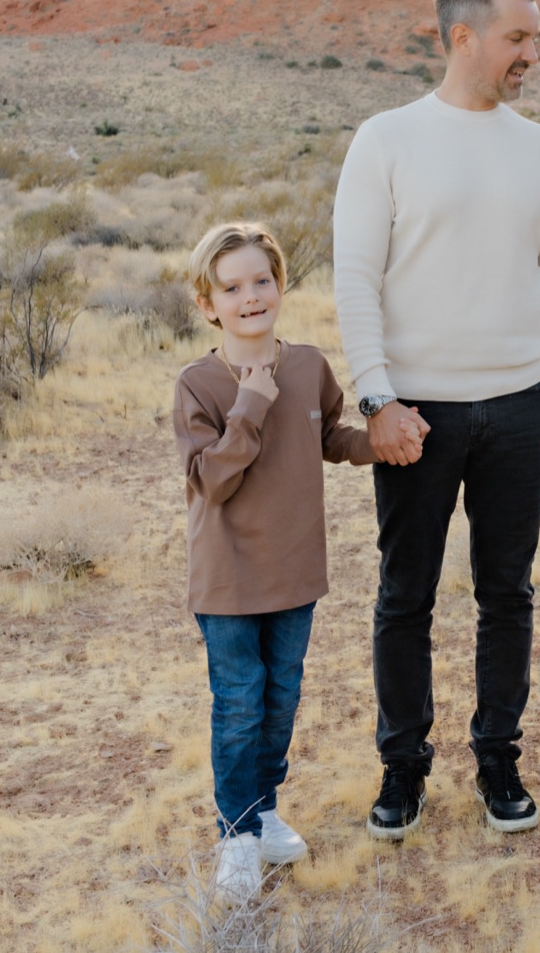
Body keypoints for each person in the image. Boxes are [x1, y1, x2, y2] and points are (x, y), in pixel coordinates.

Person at [333, 0, 540, 840]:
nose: (533, 53)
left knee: (507, 593)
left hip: (520, 404)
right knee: (405, 595)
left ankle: (498, 759)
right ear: (462, 37)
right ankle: (403, 767)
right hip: (417, 412)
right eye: (518, 37)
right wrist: (377, 399)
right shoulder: (386, 140)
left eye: (536, 36)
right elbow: (356, 278)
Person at [173, 222, 404, 897]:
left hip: (295, 572)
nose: (250, 296)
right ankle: (237, 836)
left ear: (279, 284)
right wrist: (249, 403)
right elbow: (212, 480)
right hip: (228, 579)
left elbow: (329, 435)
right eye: (232, 287)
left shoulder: (308, 366)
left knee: (280, 700)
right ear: (207, 304)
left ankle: (264, 808)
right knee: (239, 704)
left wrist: (380, 443)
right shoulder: (199, 384)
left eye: (261, 280)